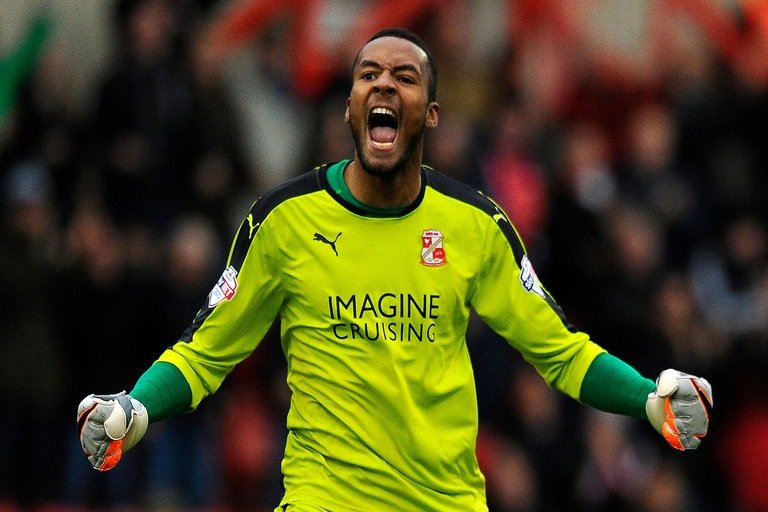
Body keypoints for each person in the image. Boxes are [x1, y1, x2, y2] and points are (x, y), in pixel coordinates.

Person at [77, 28, 713, 511]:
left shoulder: (476, 225)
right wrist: (136, 407)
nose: (383, 85)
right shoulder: (283, 220)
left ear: (430, 115)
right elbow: (204, 353)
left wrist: (648, 398)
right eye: (367, 75)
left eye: (404, 77)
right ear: (351, 110)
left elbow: (562, 353)